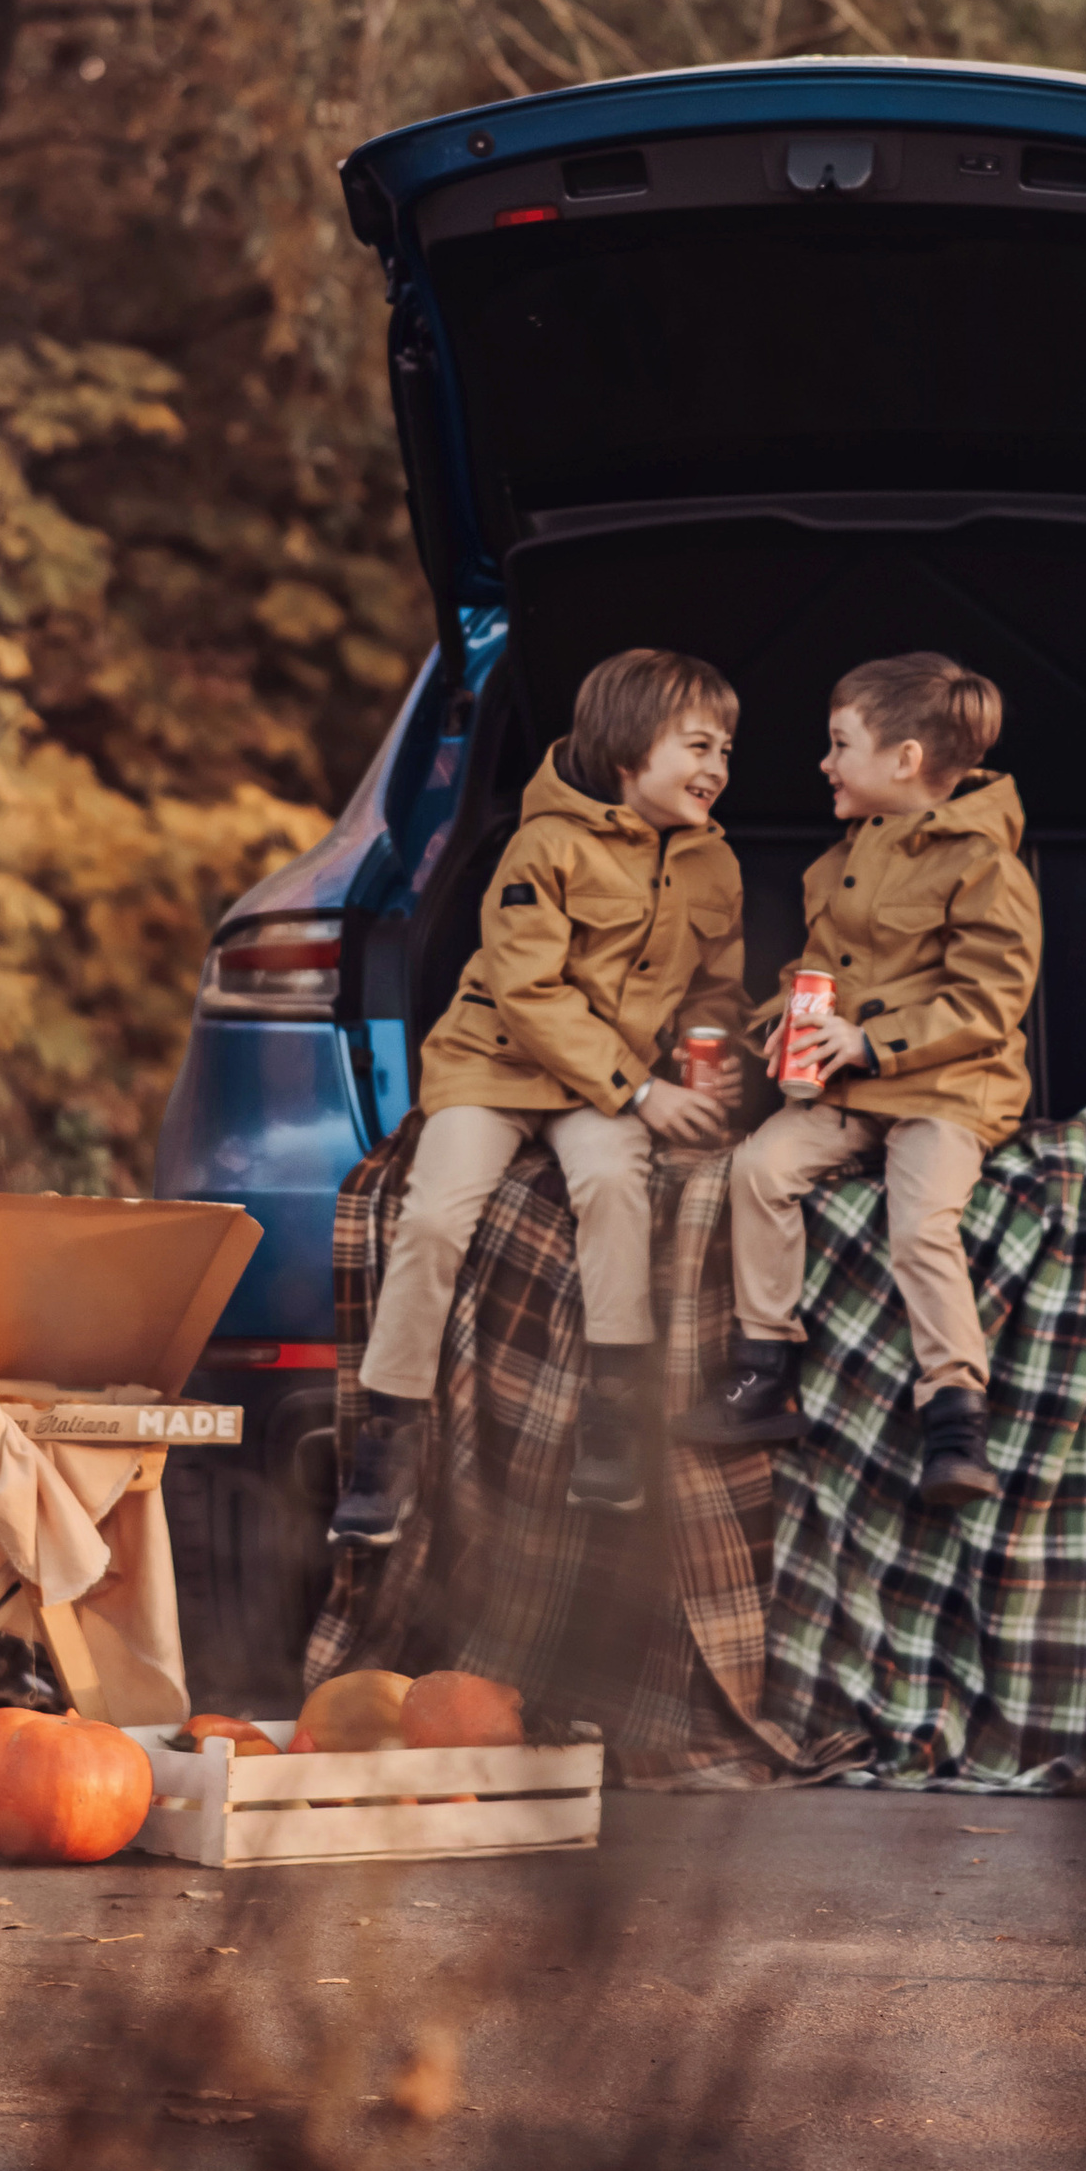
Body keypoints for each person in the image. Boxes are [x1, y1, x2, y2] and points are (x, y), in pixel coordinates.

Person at [328, 647, 747, 1543]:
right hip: (498, 1067)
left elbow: (712, 991)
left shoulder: (716, 867)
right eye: (699, 747)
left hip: (607, 1087)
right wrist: (643, 1095)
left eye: (725, 754)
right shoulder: (543, 844)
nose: (718, 769)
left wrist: (724, 1049)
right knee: (434, 1215)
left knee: (612, 1190)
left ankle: (612, 1408)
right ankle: (389, 1433)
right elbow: (527, 995)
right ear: (630, 751)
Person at [673, 652, 1040, 1505]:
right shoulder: (848, 855)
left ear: (905, 761)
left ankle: (955, 1418)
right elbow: (823, 968)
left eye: (840, 745)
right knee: (758, 1168)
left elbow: (990, 1002)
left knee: (921, 1224)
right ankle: (763, 1373)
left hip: (949, 1090)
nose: (824, 763)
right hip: (849, 1090)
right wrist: (778, 1027)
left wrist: (872, 1044)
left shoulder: (986, 865)